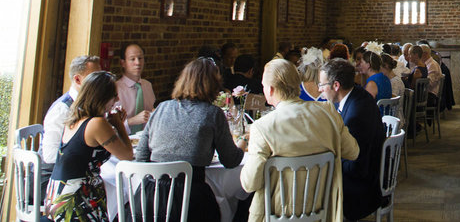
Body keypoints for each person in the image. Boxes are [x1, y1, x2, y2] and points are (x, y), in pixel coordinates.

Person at [241, 59, 359, 222]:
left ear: (270, 89)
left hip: (276, 214)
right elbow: (353, 152)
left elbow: (250, 184)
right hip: (322, 210)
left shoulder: (263, 127)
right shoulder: (329, 113)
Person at [134, 58, 245, 221]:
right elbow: (230, 160)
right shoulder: (213, 114)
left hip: (150, 201)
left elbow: (141, 156)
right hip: (190, 201)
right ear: (214, 84)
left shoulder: (162, 107)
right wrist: (242, 142)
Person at [44, 71, 133, 222]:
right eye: (114, 95)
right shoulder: (97, 124)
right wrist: (119, 125)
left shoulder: (76, 118)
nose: (117, 99)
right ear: (102, 97)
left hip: (58, 193)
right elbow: (127, 155)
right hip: (76, 198)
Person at [319, 58, 385, 221]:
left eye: (322, 85)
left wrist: (326, 162)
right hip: (367, 174)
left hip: (361, 188)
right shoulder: (357, 95)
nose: (320, 90)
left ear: (336, 85)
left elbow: (356, 165)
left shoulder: (356, 114)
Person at [42, 55, 101, 180]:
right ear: (78, 80)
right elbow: (50, 156)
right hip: (53, 179)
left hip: (77, 173)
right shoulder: (61, 110)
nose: (99, 83)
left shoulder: (87, 105)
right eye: (94, 78)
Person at [116, 43, 154, 134]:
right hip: (123, 140)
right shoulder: (115, 88)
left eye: (140, 58)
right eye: (132, 59)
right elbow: (110, 127)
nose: (138, 63)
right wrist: (132, 121)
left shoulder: (147, 85)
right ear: (123, 63)